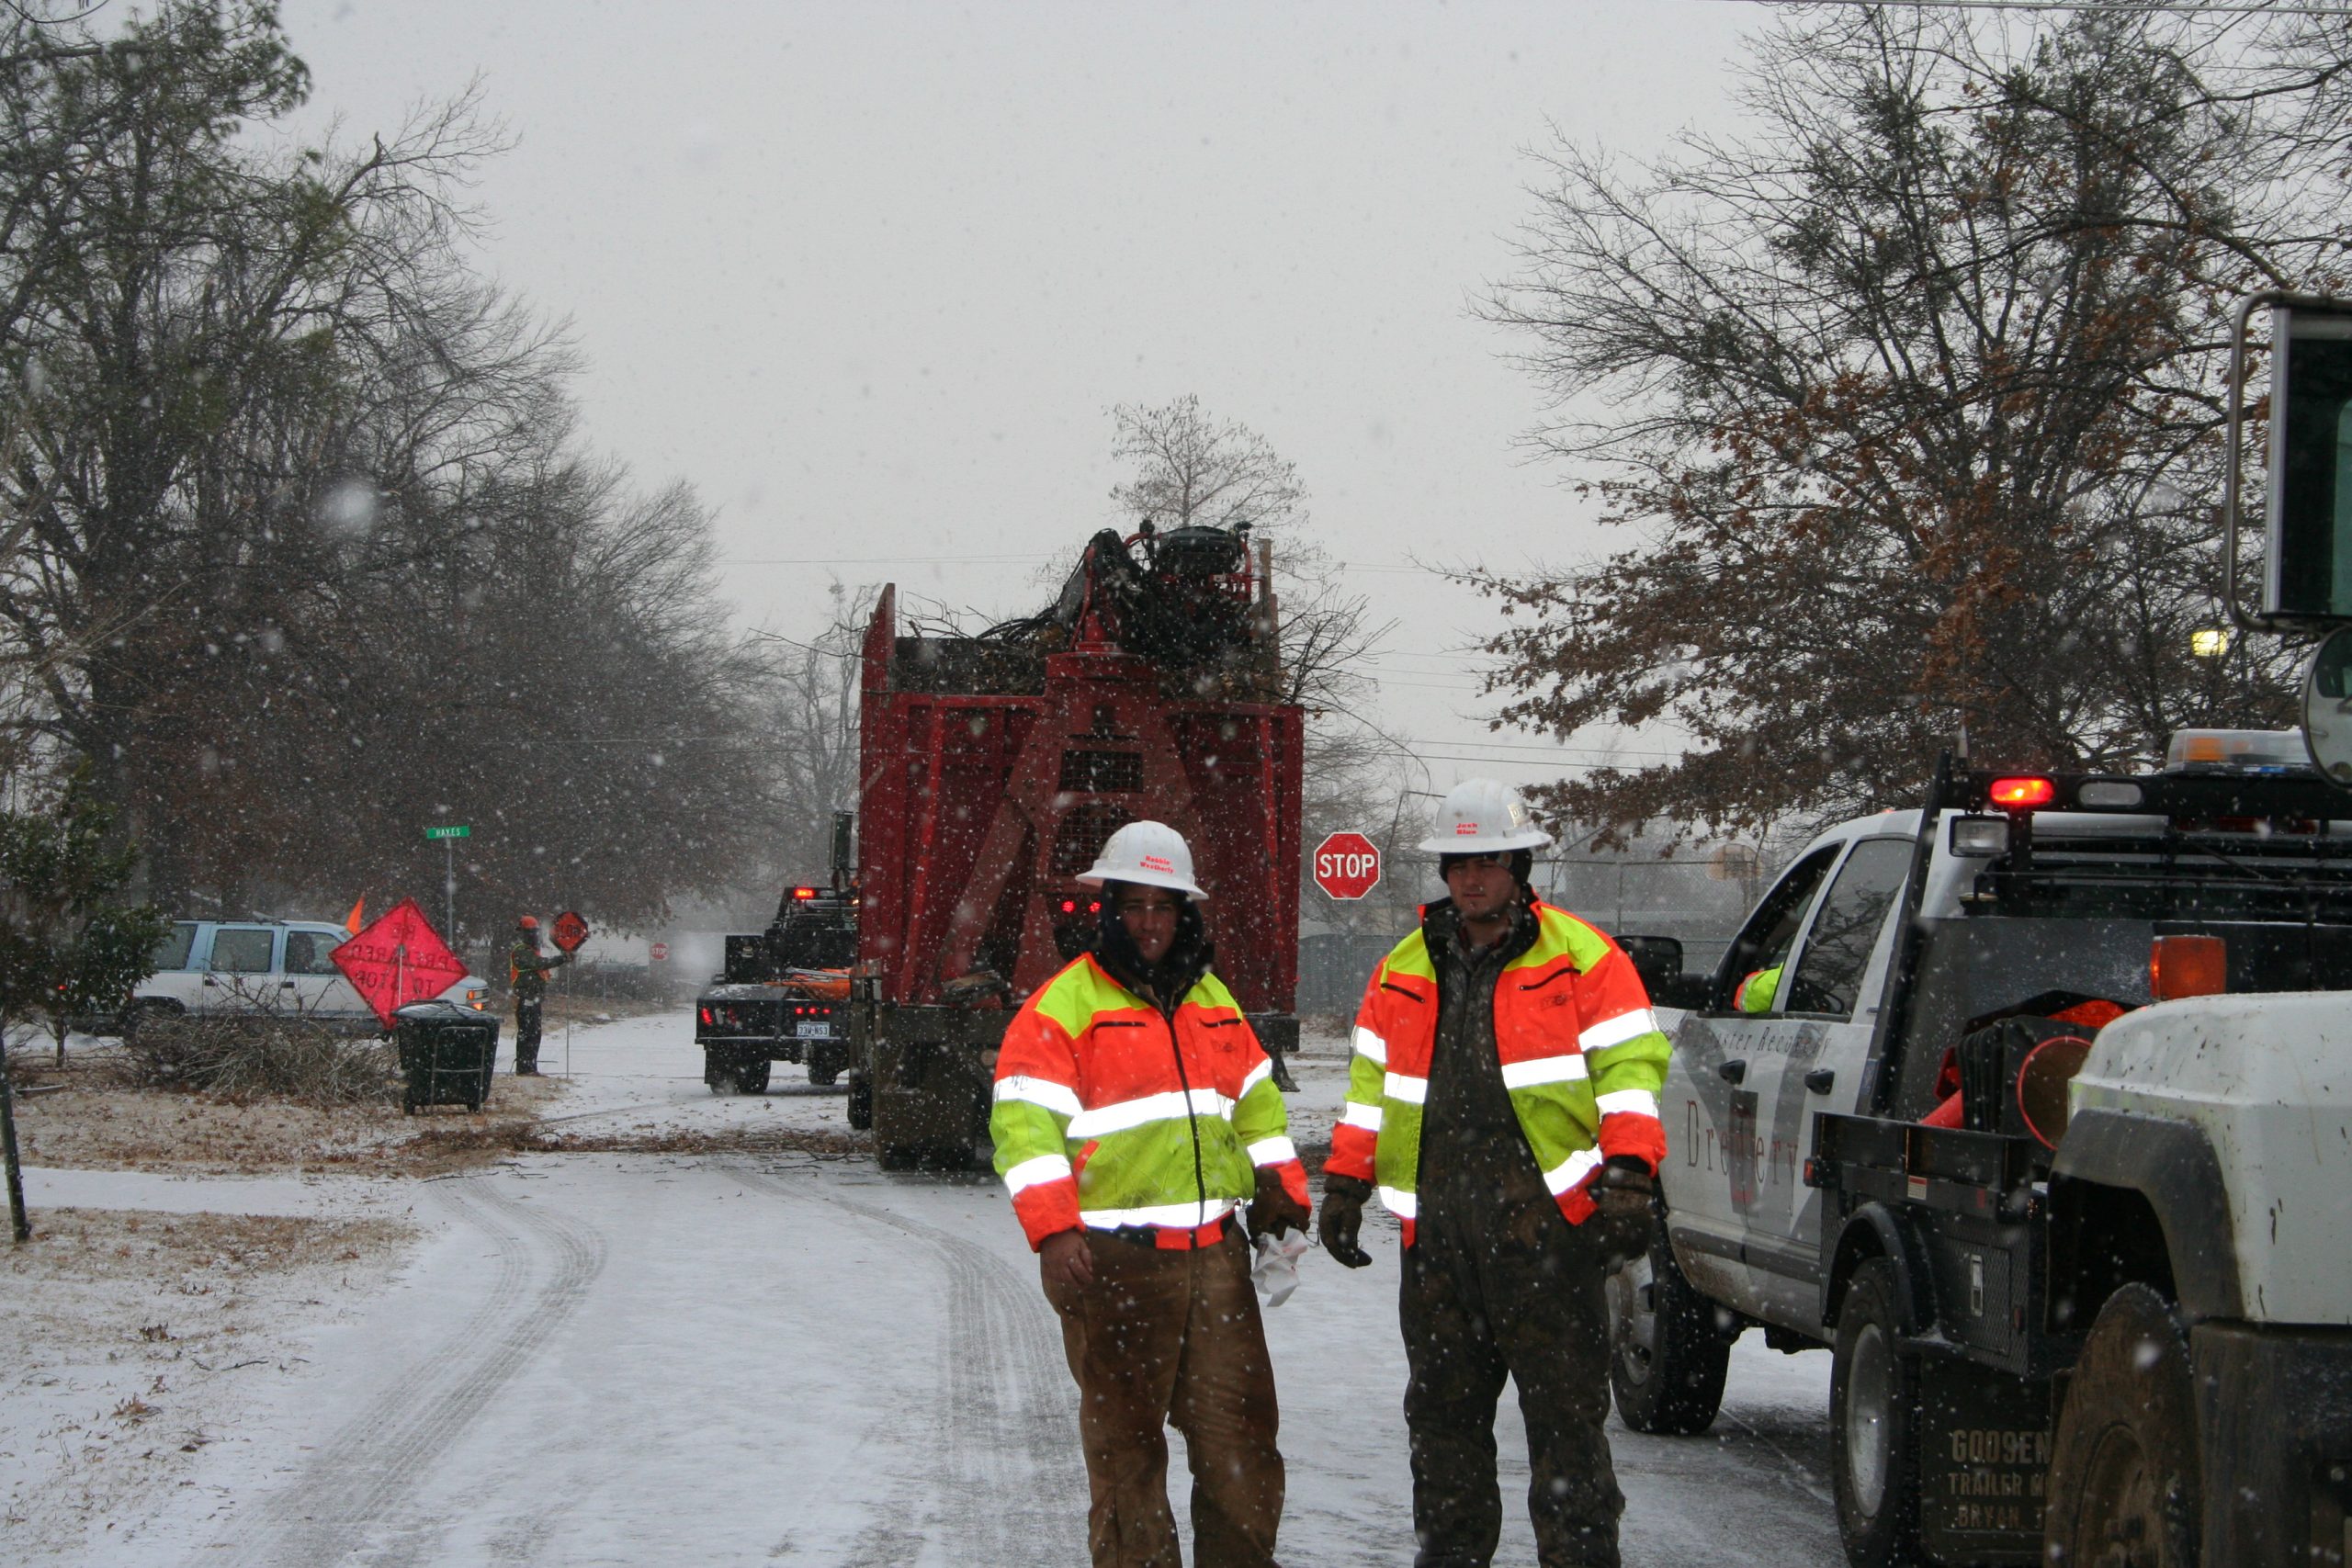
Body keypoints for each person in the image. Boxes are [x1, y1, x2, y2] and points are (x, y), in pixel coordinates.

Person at [1318, 779, 1671, 1568]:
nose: (1471, 878)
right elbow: (1372, 1087)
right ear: (1443, 872)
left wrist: (1629, 1172)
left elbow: (1630, 1072)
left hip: (1546, 1233)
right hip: (1439, 1239)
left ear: (1517, 864)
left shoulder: (1584, 960)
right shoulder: (1404, 967)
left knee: (1567, 1433)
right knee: (1443, 1430)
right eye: (1458, 863)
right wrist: (1345, 1181)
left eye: (1487, 861)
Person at [990, 819, 1311, 1568]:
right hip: (1114, 1267)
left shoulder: (1213, 1001)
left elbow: (1258, 1108)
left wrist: (1280, 1198)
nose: (1149, 922)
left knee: (1241, 1449)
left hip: (1217, 1263)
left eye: (1163, 906)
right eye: (1133, 905)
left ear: (1185, 913)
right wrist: (1054, 1231)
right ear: (1108, 911)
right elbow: (1025, 1128)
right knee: (1128, 1459)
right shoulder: (1062, 1008)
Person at [508, 915, 569, 1077]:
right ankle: (525, 1067)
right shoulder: (521, 952)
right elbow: (540, 964)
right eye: (530, 932)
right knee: (527, 1033)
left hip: (533, 999)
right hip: (526, 999)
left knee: (534, 1033)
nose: (534, 936)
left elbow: (541, 969)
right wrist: (560, 959)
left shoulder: (532, 952)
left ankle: (530, 1066)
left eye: (534, 932)